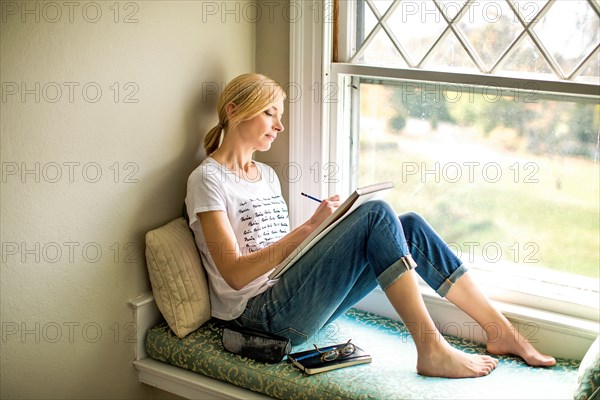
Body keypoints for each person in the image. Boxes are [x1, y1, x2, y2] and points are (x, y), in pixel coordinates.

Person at [185, 73, 556, 378]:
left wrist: (329, 229)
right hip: (258, 318)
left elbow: (276, 253)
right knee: (377, 213)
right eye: (270, 114)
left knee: (406, 225)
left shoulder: (264, 174)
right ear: (234, 111)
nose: (280, 126)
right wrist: (310, 227)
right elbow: (234, 273)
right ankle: (431, 348)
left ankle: (500, 331)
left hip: (285, 293)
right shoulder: (208, 180)